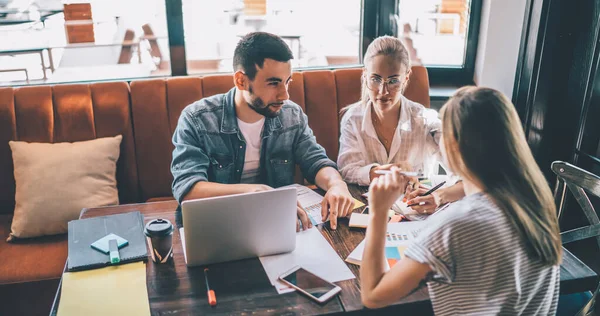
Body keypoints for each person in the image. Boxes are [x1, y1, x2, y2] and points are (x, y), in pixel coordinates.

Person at [360, 87, 561, 315]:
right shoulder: (535, 199)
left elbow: (373, 295)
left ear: (454, 145)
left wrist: (378, 211)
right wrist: (440, 195)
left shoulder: (456, 225)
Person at [171, 32, 354, 232]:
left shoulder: (291, 115)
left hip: (276, 224)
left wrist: (337, 185)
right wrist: (256, 192)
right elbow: (188, 189)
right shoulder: (197, 119)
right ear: (241, 81)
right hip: (220, 226)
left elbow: (316, 161)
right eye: (273, 83)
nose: (285, 94)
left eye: (287, 82)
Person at [337, 35, 464, 213]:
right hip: (366, 212)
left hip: (415, 213)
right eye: (375, 79)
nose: (383, 91)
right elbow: (347, 169)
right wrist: (385, 171)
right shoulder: (353, 118)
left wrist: (439, 196)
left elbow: (468, 177)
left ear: (406, 78)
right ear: (365, 76)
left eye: (393, 81)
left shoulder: (424, 120)